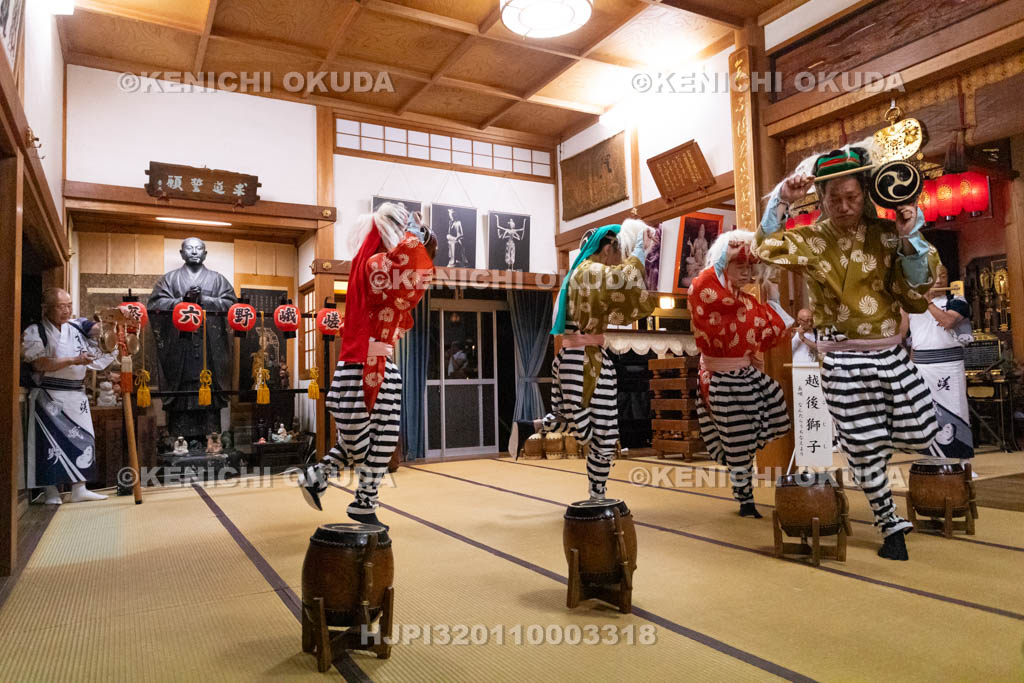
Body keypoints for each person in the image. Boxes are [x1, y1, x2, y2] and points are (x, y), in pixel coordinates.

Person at [755, 145, 940, 560]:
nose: (843, 206)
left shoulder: (888, 235)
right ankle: (889, 521)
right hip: (844, 358)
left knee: (921, 431)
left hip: (892, 354)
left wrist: (911, 235)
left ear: (868, 194)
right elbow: (765, 248)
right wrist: (782, 199)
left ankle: (882, 496)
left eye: (852, 197)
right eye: (833, 198)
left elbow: (914, 295)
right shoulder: (811, 239)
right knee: (864, 444)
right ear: (820, 199)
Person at [299, 203, 436, 528]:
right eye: (403, 229)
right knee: (379, 440)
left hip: (364, 359)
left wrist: (422, 239)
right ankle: (363, 501)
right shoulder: (376, 260)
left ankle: (321, 476)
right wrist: (418, 239)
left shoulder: (367, 257)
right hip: (368, 362)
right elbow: (405, 272)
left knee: (360, 439)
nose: (407, 236)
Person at [538, 219, 656, 500]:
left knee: (583, 421)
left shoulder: (582, 273)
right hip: (583, 359)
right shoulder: (589, 272)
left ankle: (535, 426)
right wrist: (640, 246)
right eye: (619, 253)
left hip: (577, 357)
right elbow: (624, 278)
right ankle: (597, 493)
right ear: (607, 249)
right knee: (598, 429)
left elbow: (621, 295)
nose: (620, 260)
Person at [688, 230, 792, 518]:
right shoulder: (709, 295)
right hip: (720, 379)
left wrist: (773, 298)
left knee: (773, 401)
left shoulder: (748, 303)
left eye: (751, 267)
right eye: (740, 266)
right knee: (736, 440)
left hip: (746, 374)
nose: (747, 273)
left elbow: (769, 330)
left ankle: (742, 469)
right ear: (724, 266)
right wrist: (724, 255)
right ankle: (745, 498)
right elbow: (700, 284)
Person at [22, 288, 116, 504]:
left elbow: (95, 330)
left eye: (69, 305)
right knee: (49, 442)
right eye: (60, 306)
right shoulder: (36, 331)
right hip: (49, 395)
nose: (66, 310)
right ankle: (50, 490)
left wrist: (113, 323)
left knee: (83, 439)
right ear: (46, 308)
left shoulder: (76, 327)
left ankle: (79, 487)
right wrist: (73, 360)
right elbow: (39, 363)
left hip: (76, 394)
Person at [147, 237, 237, 438]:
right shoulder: (169, 280)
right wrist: (181, 301)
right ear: (182, 253)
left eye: (199, 249)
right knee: (182, 394)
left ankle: (211, 440)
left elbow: (233, 307)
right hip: (180, 347)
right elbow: (154, 306)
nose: (194, 251)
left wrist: (204, 300)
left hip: (210, 346)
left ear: (205, 254)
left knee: (209, 391)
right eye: (189, 248)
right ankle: (180, 441)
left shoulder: (218, 280)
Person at [901, 264, 974, 459]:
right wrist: (902, 305)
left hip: (949, 364)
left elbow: (948, 321)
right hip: (922, 364)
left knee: (955, 409)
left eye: (944, 275)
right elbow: (901, 333)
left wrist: (929, 303)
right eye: (935, 276)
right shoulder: (912, 305)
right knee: (926, 411)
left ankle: (963, 462)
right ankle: (933, 459)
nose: (940, 280)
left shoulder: (956, 300)